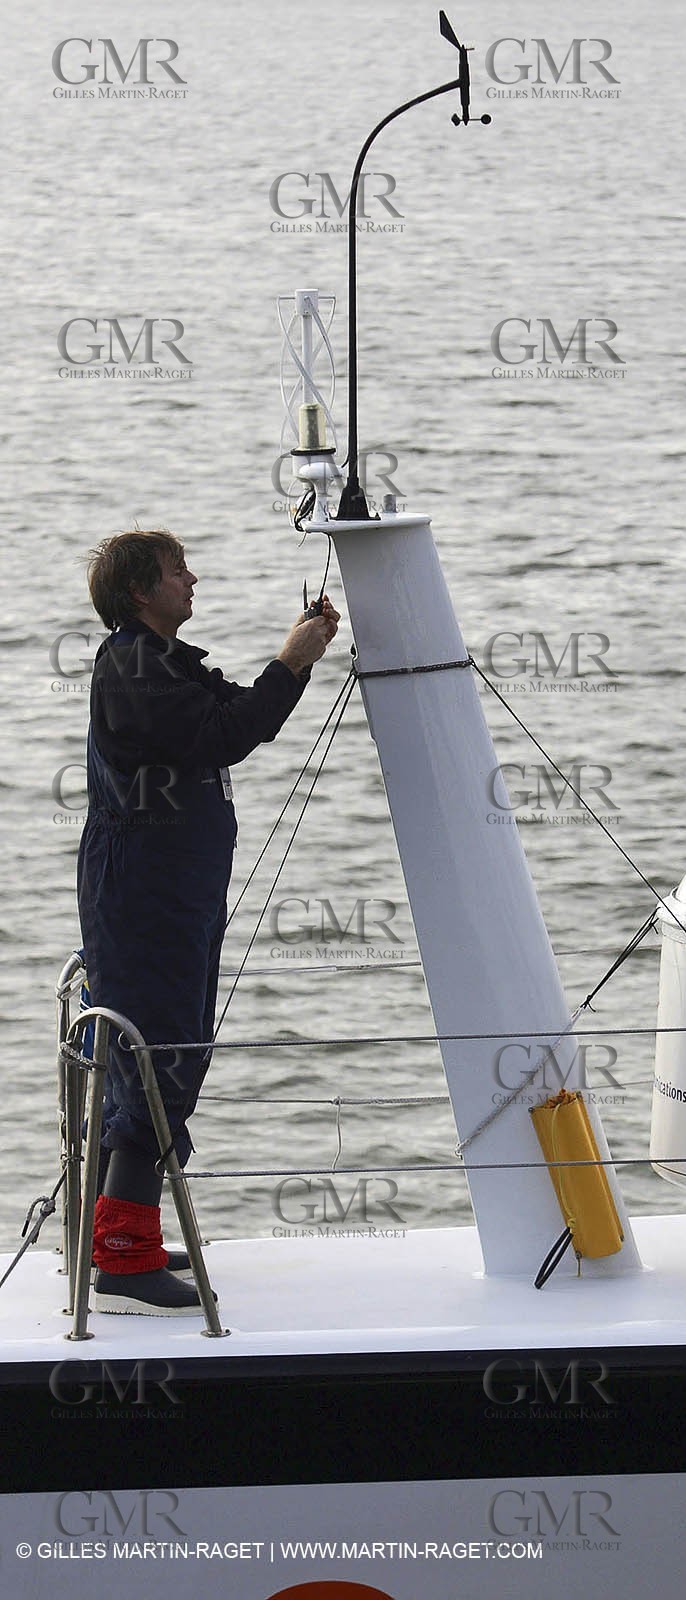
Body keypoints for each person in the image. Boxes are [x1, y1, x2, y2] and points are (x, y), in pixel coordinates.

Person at [77, 529, 340, 1314]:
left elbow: (236, 712)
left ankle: (124, 1232)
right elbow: (225, 735)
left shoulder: (162, 664)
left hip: (171, 895)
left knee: (168, 1055)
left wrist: (298, 658)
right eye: (176, 571)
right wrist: (293, 660)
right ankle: (121, 1260)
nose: (193, 579)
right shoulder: (133, 666)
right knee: (153, 1059)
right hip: (146, 899)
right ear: (139, 593)